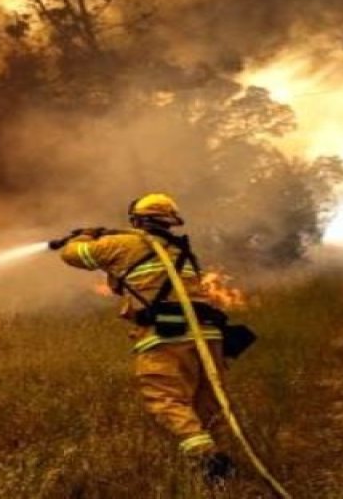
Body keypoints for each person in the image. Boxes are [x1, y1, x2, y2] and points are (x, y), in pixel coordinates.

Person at [56, 193, 235, 485]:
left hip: (166, 335)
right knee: (207, 403)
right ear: (170, 221)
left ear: (137, 220)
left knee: (165, 397)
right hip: (208, 335)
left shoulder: (125, 243)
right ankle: (221, 467)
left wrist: (85, 235)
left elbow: (73, 255)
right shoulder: (181, 251)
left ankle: (207, 461)